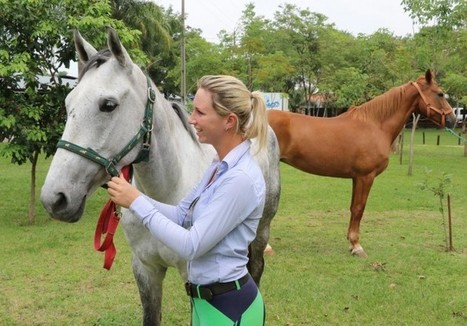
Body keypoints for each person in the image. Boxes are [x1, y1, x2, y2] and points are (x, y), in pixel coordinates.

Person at [107, 75, 269, 325]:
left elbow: (192, 245)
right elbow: (183, 214)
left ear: (229, 121)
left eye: (200, 112)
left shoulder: (241, 179)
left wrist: (137, 203)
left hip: (228, 308)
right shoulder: (218, 166)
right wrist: (135, 198)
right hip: (207, 303)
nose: (191, 118)